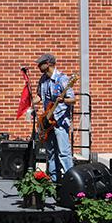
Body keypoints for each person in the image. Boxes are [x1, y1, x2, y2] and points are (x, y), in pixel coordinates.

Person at [33, 53, 75, 182]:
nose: (39, 66)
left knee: (63, 152)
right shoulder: (43, 80)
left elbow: (72, 100)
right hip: (47, 121)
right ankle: (53, 179)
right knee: (50, 153)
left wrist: (63, 100)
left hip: (60, 121)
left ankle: (71, 180)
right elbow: (39, 96)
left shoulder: (62, 79)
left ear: (49, 64)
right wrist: (31, 102)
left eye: (41, 63)